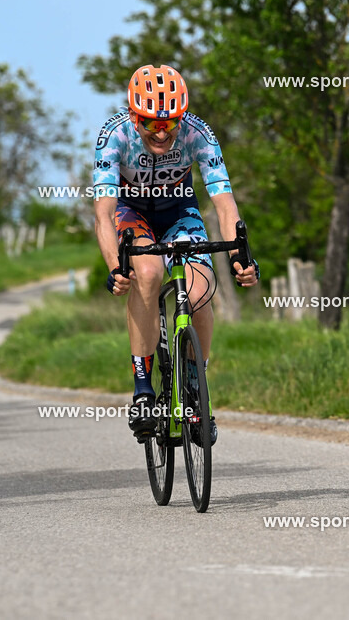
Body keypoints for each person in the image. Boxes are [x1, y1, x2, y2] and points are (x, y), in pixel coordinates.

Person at [92, 64, 258, 444]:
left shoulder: (199, 133)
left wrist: (240, 256)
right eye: (151, 124)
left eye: (171, 124)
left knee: (200, 293)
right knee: (147, 275)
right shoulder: (112, 135)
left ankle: (196, 384)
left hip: (179, 210)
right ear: (135, 118)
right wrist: (115, 267)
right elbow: (102, 213)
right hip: (131, 211)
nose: (163, 133)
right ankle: (142, 388)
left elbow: (225, 203)